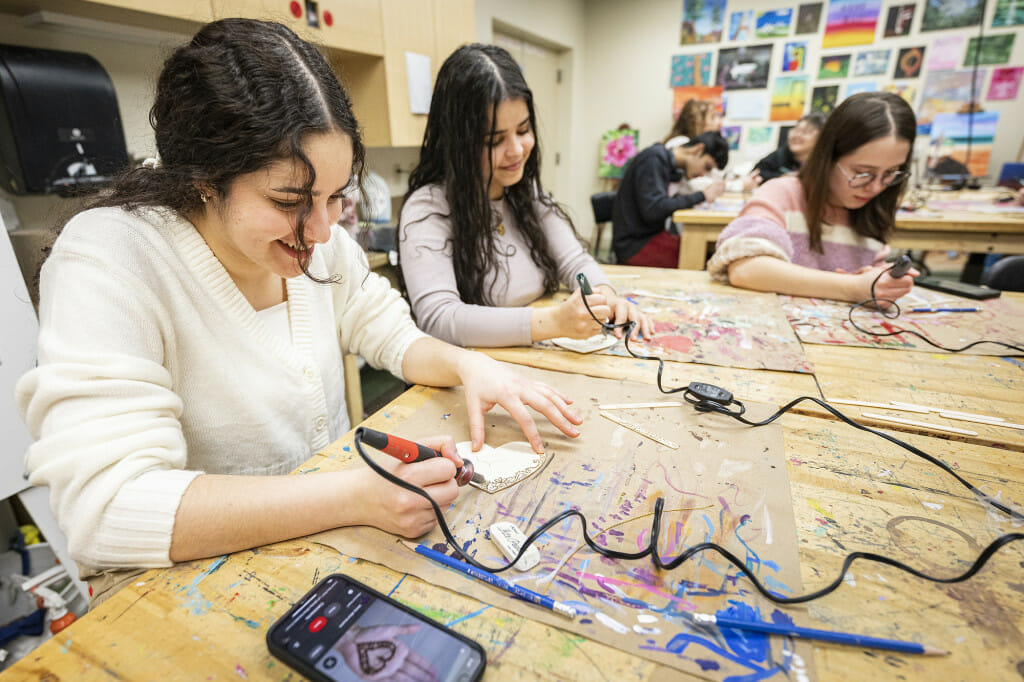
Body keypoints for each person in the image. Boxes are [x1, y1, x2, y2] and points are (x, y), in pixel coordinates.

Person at [14, 20, 584, 598]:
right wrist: (354, 496)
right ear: (205, 178)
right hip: (187, 593)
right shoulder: (111, 258)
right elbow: (107, 511)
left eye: (336, 197)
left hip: (323, 558)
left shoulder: (319, 238)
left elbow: (384, 326)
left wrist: (467, 366)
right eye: (290, 201)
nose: (321, 229)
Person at [399, 44, 651, 347]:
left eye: (523, 129)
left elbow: (575, 261)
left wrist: (604, 296)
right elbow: (439, 318)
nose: (517, 150)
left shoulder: (524, 193)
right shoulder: (429, 209)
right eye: (495, 140)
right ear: (458, 143)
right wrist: (554, 322)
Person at [707, 92, 919, 303]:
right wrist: (855, 288)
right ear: (828, 156)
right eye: (863, 173)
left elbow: (869, 281)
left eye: (891, 173)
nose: (875, 187)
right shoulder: (783, 194)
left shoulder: (873, 213)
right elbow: (746, 269)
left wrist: (883, 286)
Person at [611, 132, 729, 268]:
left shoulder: (665, 162)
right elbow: (654, 210)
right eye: (706, 167)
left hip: (647, 237)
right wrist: (701, 195)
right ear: (698, 149)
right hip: (635, 245)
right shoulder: (653, 159)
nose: (703, 174)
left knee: (706, 252)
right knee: (703, 259)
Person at [753, 112, 826, 182]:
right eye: (796, 130)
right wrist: (784, 176)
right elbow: (757, 173)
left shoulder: (825, 163)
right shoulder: (781, 154)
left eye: (805, 132)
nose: (797, 135)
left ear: (820, 138)